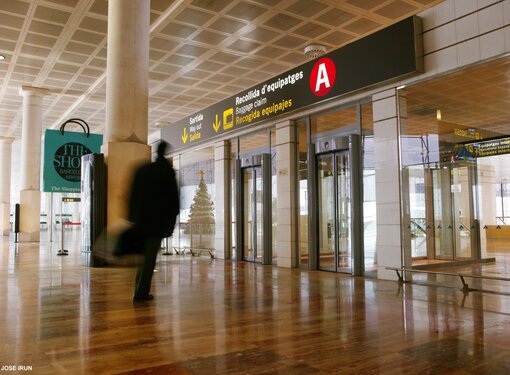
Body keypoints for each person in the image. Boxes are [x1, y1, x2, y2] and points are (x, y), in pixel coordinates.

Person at [128, 140, 179, 302]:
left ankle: (139, 290)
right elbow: (173, 202)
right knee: (149, 259)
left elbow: (132, 197)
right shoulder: (167, 172)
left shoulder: (143, 170)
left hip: (141, 223)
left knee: (144, 258)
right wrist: (170, 224)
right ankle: (141, 293)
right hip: (156, 225)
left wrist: (132, 219)